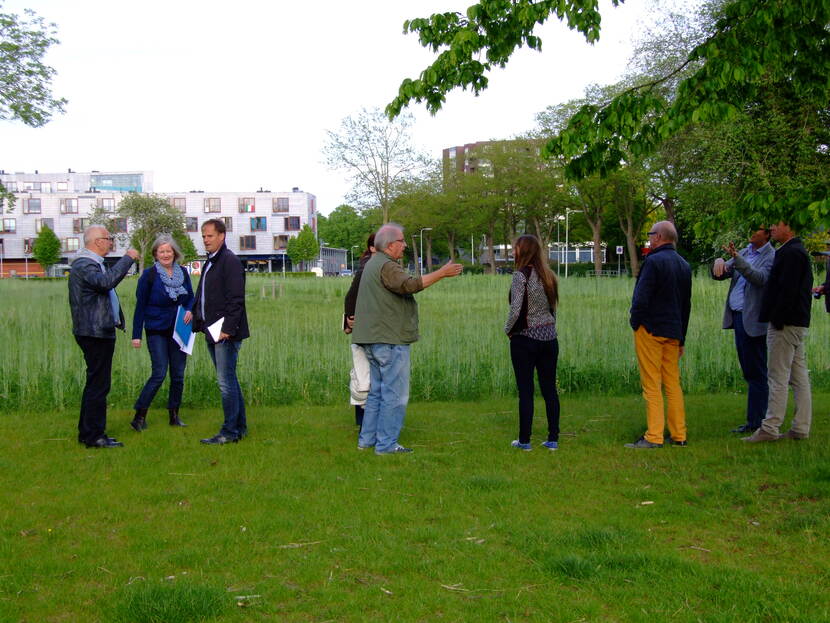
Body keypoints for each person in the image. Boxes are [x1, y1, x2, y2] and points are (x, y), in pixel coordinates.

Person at [351, 223, 462, 454]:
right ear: (390, 245)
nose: (404, 246)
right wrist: (442, 273)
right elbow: (409, 285)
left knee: (377, 393)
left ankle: (367, 441)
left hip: (371, 339)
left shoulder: (372, 264)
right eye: (401, 241)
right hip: (389, 340)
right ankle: (387, 445)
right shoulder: (387, 266)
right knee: (395, 394)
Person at [69, 225, 138, 448]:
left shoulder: (89, 263)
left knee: (96, 383)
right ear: (98, 241)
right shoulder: (84, 264)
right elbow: (106, 282)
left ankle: (88, 432)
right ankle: (94, 436)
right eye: (109, 239)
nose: (111, 242)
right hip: (95, 332)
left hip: (97, 330)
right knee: (99, 385)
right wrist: (128, 258)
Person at [744, 221, 813, 442]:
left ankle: (770, 427)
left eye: (776, 224)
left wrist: (777, 319)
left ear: (790, 227)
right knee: (798, 376)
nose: (772, 229)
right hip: (795, 323)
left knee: (777, 376)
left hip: (785, 325)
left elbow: (787, 291)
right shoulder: (795, 251)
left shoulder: (791, 254)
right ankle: (801, 427)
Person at [626, 220, 692, 449]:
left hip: (651, 329)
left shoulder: (653, 262)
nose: (649, 238)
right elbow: (686, 305)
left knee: (652, 384)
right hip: (673, 332)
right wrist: (681, 336)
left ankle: (653, 436)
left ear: (659, 237)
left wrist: (636, 322)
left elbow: (641, 298)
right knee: (673, 384)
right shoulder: (684, 265)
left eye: (650, 234)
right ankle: (678, 434)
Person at [192, 219, 250, 445]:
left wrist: (227, 329)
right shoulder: (210, 262)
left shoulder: (230, 261)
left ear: (222, 236)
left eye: (210, 236)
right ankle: (239, 428)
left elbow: (236, 299)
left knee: (225, 383)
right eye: (204, 236)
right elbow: (204, 295)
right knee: (230, 381)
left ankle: (229, 431)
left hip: (225, 333)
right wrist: (196, 317)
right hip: (211, 331)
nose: (206, 240)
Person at [711, 228, 774, 433]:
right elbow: (723, 272)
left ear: (766, 235)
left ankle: (757, 422)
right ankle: (753, 420)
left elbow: (759, 278)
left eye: (756, 230)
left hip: (754, 321)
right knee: (748, 370)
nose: (751, 233)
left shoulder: (770, 256)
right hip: (738, 318)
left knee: (756, 372)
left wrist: (736, 259)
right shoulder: (746, 251)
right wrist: (720, 262)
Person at [130, 234, 195, 431]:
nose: (166, 254)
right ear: (155, 254)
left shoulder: (183, 273)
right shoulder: (149, 276)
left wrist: (190, 309)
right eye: (161, 251)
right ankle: (139, 416)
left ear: (174, 253)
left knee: (178, 374)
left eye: (168, 251)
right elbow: (140, 306)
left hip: (179, 330)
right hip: (156, 329)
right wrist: (136, 335)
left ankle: (174, 415)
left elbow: (190, 297)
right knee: (159, 373)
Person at [504, 234, 560, 451]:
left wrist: (508, 330)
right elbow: (552, 310)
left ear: (523, 250)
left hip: (525, 339)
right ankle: (553, 439)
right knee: (549, 390)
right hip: (549, 339)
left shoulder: (521, 276)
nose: (513, 251)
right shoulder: (549, 276)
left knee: (526, 391)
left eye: (515, 247)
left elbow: (516, 309)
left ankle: (524, 441)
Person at [343, 233, 375, 428]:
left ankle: (364, 424)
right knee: (366, 375)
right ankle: (366, 425)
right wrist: (349, 318)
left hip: (366, 327)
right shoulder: (368, 266)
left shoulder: (369, 264)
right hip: (368, 328)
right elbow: (352, 295)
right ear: (372, 248)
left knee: (364, 374)